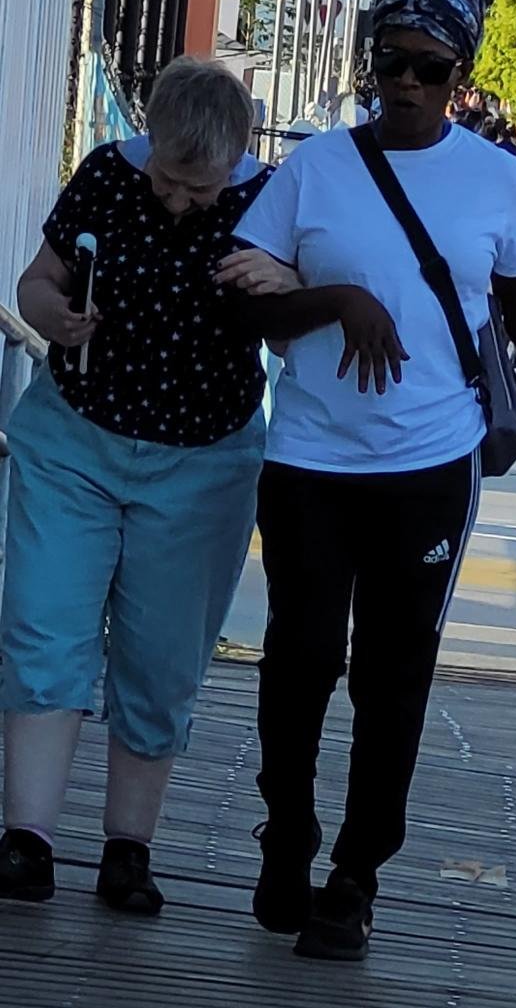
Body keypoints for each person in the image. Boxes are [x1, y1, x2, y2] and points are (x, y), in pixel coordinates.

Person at [224, 0, 516, 963]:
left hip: (431, 462)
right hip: (309, 457)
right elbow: (241, 301)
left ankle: (355, 872)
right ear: (371, 62)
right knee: (300, 657)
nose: (408, 87)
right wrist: (339, 300)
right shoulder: (316, 170)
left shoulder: (496, 178)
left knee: (394, 673)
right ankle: (285, 828)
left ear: (461, 73)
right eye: (392, 63)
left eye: (431, 68)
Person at [0, 58, 287, 915]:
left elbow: (305, 309)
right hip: (76, 437)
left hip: (203, 459)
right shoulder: (105, 176)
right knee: (46, 626)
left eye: (197, 189)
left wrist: (286, 284)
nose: (176, 200)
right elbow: (35, 282)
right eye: (165, 177)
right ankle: (27, 839)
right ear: (147, 145)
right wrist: (53, 314)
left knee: (162, 657)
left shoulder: (272, 202)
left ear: (237, 156)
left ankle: (130, 847)